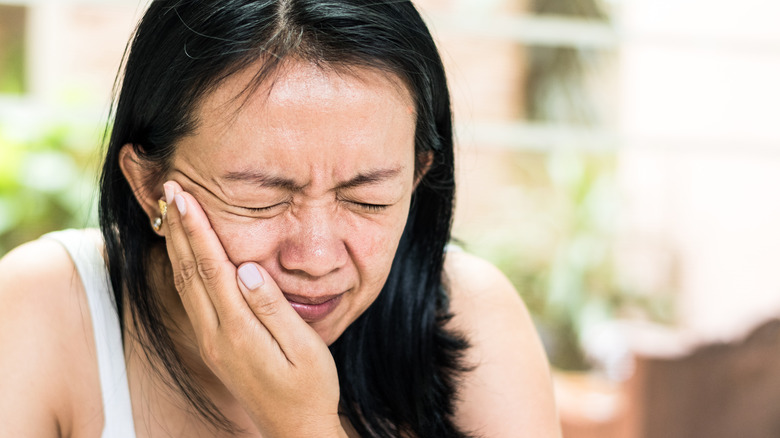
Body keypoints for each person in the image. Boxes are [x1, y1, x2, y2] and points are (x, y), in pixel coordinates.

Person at [0, 1, 560, 436]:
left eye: (367, 198)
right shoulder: (47, 309)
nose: (316, 258)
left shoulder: (472, 316)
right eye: (261, 199)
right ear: (149, 185)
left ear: (416, 178)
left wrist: (303, 426)